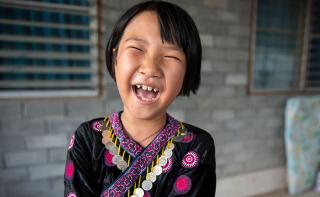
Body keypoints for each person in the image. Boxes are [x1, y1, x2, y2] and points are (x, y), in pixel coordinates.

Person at [64, 1, 216, 197]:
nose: (150, 68)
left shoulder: (196, 146)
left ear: (186, 74)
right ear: (115, 58)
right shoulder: (86, 139)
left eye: (171, 56)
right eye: (137, 48)